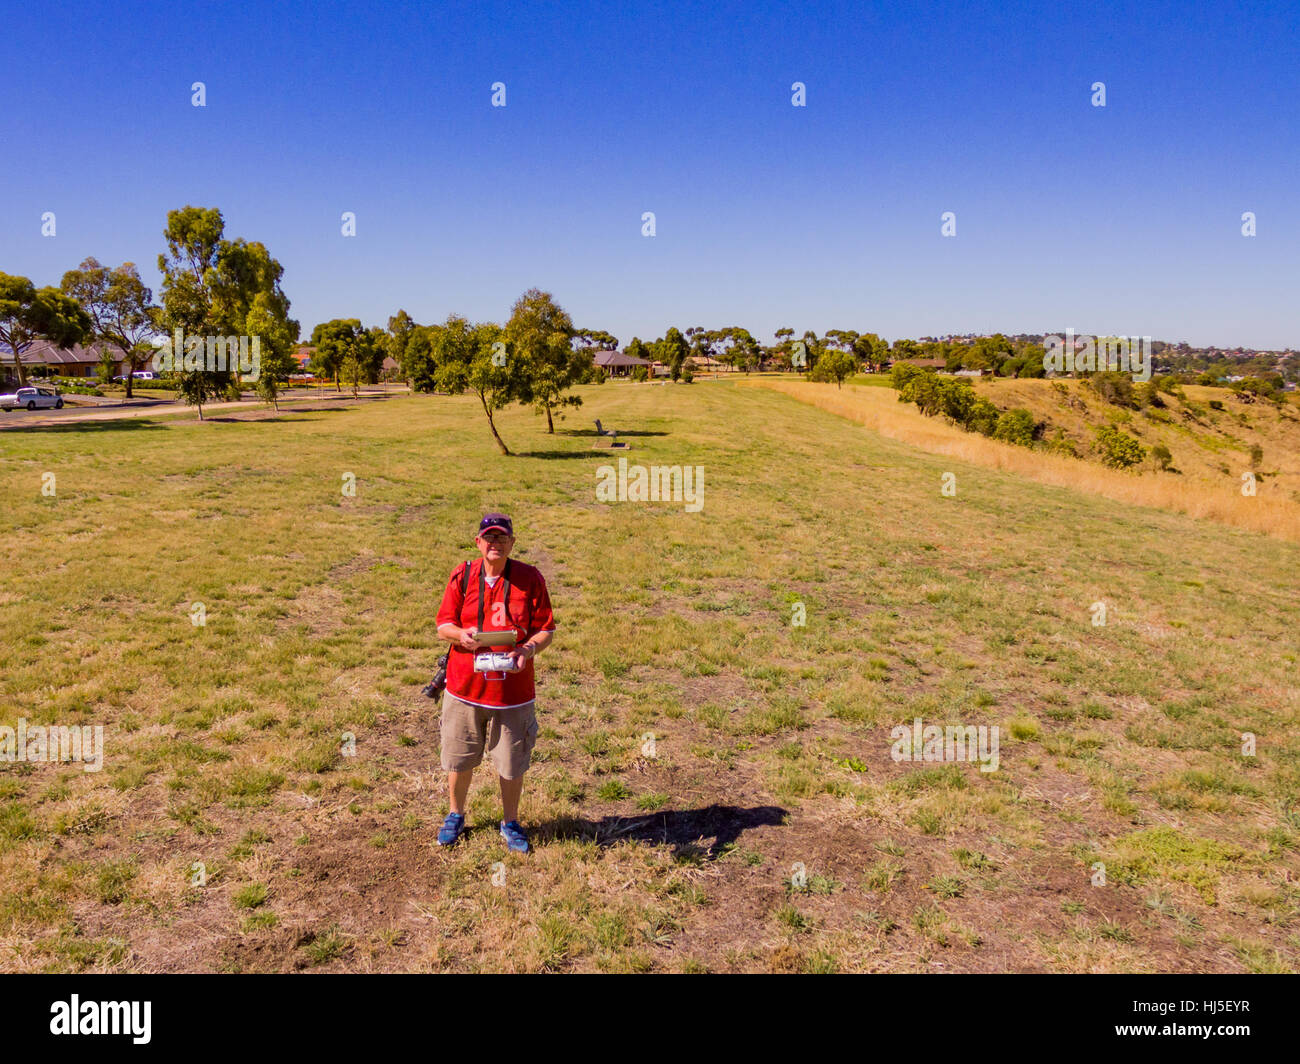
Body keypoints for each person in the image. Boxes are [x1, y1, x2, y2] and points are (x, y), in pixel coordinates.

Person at [434, 513, 554, 853]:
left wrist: (527, 650)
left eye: (501, 538)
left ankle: (510, 821)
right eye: (488, 537)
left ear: (512, 543)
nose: (494, 543)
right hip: (464, 688)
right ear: (478, 542)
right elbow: (443, 625)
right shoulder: (462, 574)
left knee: (512, 760)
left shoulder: (530, 578)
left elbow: (547, 629)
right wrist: (462, 635)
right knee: (459, 756)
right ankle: (456, 814)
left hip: (512, 693)